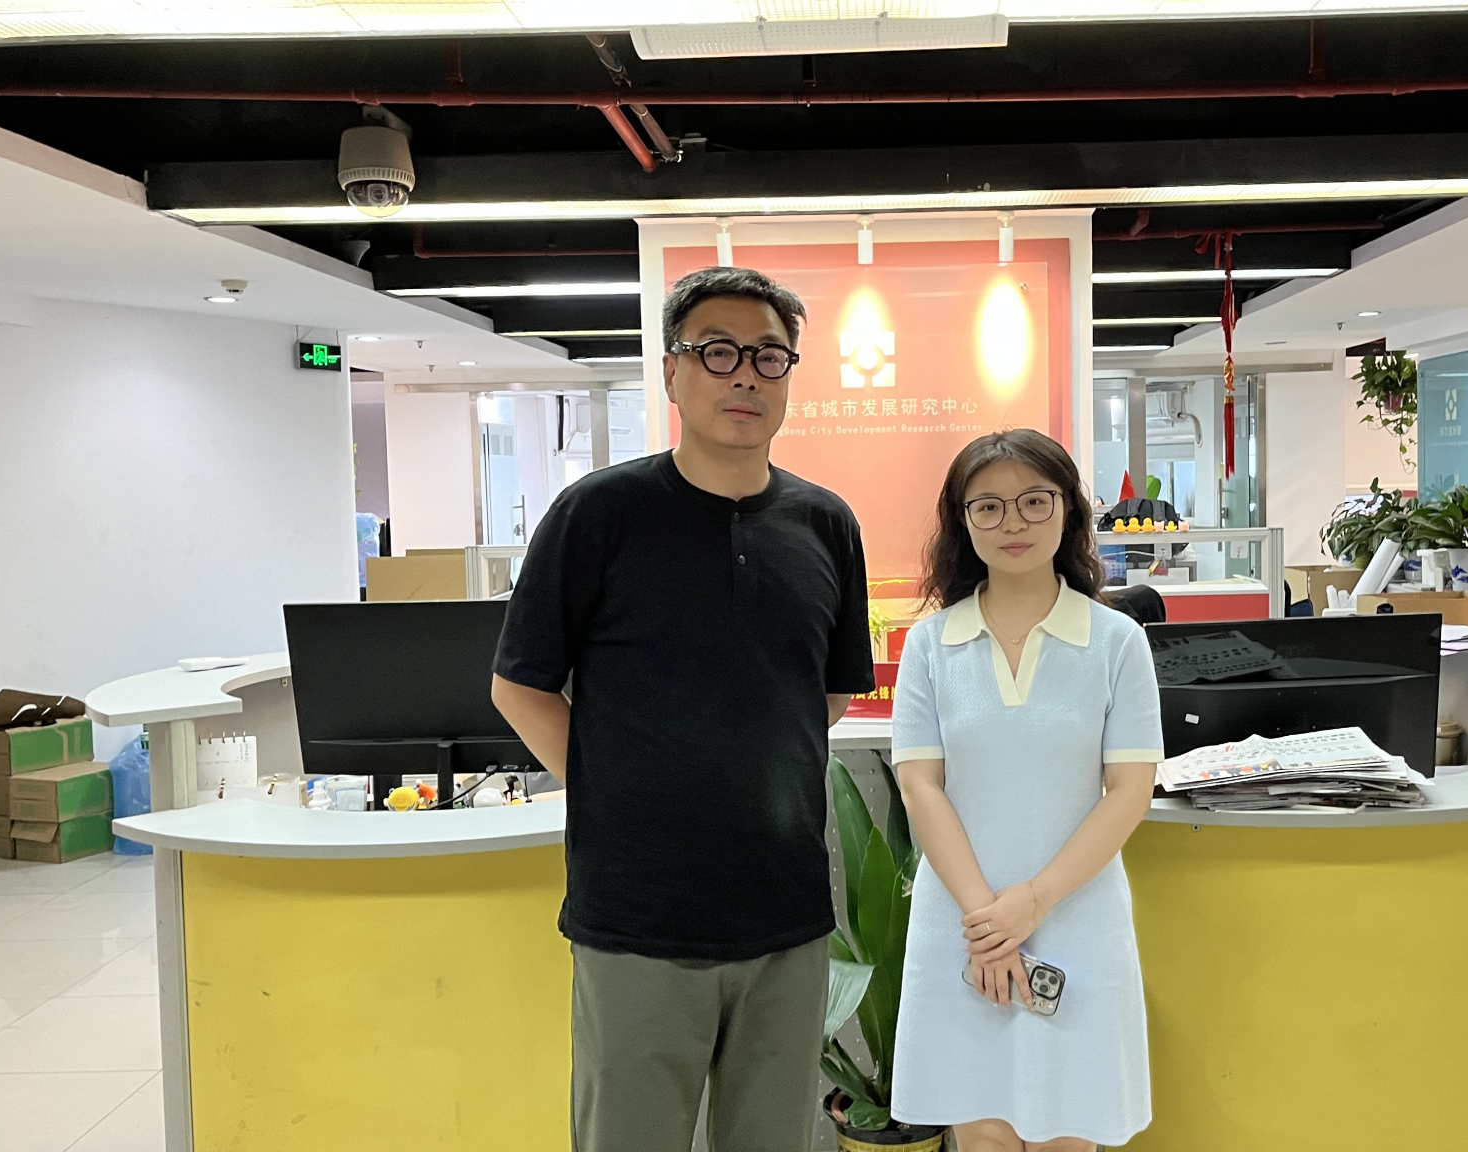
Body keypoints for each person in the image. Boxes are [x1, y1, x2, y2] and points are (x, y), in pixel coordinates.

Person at [491, 266, 875, 1152]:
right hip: (639, 914)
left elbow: (827, 691)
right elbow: (519, 685)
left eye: (769, 356)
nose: (746, 375)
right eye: (718, 352)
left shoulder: (826, 524)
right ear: (672, 372)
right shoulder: (598, 514)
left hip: (784, 913)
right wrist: (619, 786)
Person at [888, 429, 1162, 1151]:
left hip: (1078, 919)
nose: (1013, 522)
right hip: (961, 924)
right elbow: (920, 787)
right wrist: (988, 923)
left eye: (1035, 501)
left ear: (1069, 510)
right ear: (962, 521)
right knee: (980, 1130)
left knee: (1069, 1130)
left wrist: (1033, 901)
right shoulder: (930, 645)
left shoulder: (1116, 641)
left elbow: (1129, 790)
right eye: (988, 506)